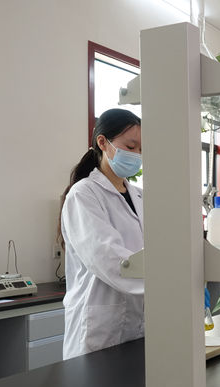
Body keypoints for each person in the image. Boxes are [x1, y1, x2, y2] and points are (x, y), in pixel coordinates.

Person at [57, 108, 144, 359]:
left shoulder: (140, 196)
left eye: (141, 149)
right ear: (103, 143)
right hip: (99, 328)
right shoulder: (83, 194)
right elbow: (107, 257)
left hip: (137, 325)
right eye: (131, 146)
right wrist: (167, 283)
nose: (137, 155)